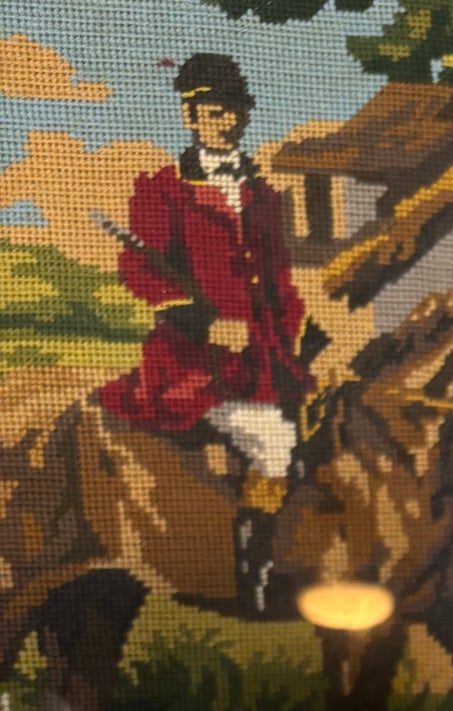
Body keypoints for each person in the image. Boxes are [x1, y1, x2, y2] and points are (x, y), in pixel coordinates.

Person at [98, 54, 317, 613]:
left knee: (327, 432)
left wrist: (301, 332)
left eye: (235, 113)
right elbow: (140, 272)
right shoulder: (161, 189)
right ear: (190, 117)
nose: (228, 123)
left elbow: (278, 278)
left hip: (266, 357)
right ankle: (255, 573)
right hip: (193, 361)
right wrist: (199, 318)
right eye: (215, 113)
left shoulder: (263, 194)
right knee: (271, 442)